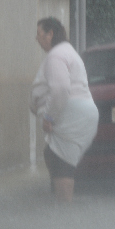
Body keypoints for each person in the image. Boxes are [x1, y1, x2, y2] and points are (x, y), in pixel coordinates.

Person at [30, 17, 99, 202]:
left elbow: (60, 89)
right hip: (81, 111)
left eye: (39, 34)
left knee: (62, 164)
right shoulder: (67, 51)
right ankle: (60, 204)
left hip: (71, 114)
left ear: (50, 34)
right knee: (51, 155)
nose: (37, 39)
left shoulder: (56, 55)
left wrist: (48, 118)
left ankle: (63, 207)